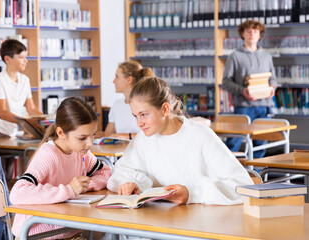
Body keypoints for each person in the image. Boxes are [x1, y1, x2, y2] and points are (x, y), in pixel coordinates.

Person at [107, 76, 253, 205]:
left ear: (165, 109)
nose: (139, 123)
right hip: (161, 220)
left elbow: (242, 185)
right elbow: (119, 173)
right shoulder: (144, 138)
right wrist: (134, 183)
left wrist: (192, 193)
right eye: (135, 116)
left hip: (201, 222)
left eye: (144, 114)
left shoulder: (200, 135)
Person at [10, 97, 111, 239]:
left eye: (92, 135)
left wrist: (84, 186)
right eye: (82, 138)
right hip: (37, 234)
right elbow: (17, 193)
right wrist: (69, 190)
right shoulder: (49, 154)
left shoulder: (81, 152)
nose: (89, 143)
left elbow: (105, 172)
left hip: (67, 230)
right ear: (61, 133)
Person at [221, 20, 277, 158]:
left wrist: (272, 87)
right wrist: (242, 91)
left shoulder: (266, 56)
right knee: (234, 142)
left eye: (255, 31)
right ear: (243, 34)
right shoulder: (235, 56)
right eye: (249, 31)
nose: (252, 34)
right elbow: (225, 82)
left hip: (264, 107)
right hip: (243, 107)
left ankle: (255, 175)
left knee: (261, 144)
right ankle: (229, 175)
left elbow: (273, 79)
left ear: (260, 35)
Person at [0, 39, 43, 139]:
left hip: (11, 133)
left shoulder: (25, 80)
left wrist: (46, 120)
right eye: (21, 57)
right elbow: (1, 112)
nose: (25, 60)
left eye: (25, 57)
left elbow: (31, 109)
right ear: (7, 59)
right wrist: (26, 122)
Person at [103, 61, 154, 140]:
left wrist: (127, 136)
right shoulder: (117, 105)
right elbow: (108, 136)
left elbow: (154, 133)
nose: (113, 81)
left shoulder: (147, 104)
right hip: (120, 150)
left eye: (117, 77)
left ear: (129, 80)